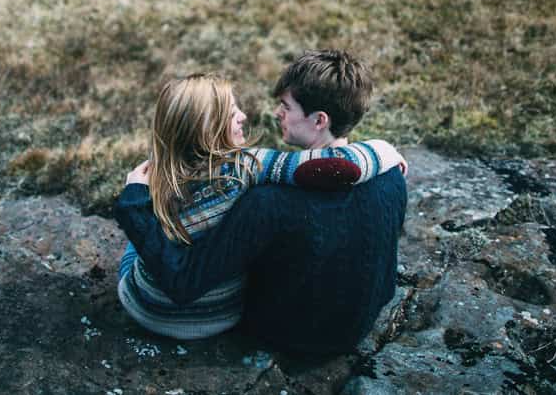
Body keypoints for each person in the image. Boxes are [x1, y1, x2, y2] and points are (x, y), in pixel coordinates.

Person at [116, 51, 408, 353]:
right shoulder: (392, 176)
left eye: (286, 106)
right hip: (361, 323)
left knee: (144, 241)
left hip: (286, 335)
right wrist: (384, 148)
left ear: (320, 120)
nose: (276, 112)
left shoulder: (265, 202)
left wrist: (135, 200)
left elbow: (188, 278)